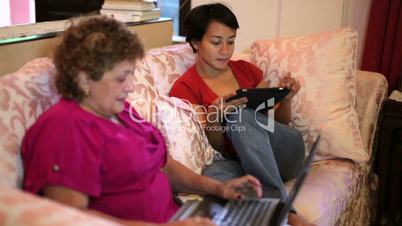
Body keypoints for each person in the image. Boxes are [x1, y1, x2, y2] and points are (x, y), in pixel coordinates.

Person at [21, 16, 263, 226]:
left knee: (265, 216)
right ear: (84, 78)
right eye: (121, 78)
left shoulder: (122, 112)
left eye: (131, 75)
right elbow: (71, 219)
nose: (131, 87)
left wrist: (218, 188)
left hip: (178, 214)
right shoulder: (65, 129)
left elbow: (164, 165)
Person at [169, 3, 314, 226]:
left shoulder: (247, 70)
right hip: (241, 162)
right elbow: (218, 147)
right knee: (213, 175)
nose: (225, 50)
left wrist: (286, 99)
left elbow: (279, 124)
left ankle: (285, 213)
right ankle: (258, 212)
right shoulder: (185, 88)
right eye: (216, 42)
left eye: (231, 40)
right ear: (196, 42)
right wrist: (214, 119)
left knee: (239, 116)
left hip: (286, 153)